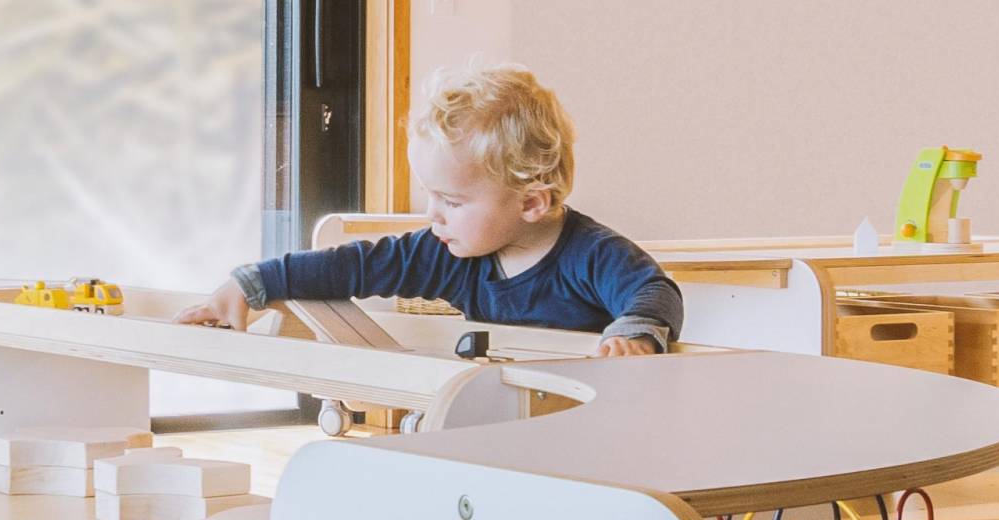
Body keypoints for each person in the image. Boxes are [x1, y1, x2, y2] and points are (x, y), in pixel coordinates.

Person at [175, 63, 682, 357]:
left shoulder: (592, 255)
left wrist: (634, 333)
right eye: (431, 195)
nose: (433, 215)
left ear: (531, 202)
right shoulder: (447, 251)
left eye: (452, 201)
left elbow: (654, 290)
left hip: (586, 426)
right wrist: (255, 281)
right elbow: (355, 266)